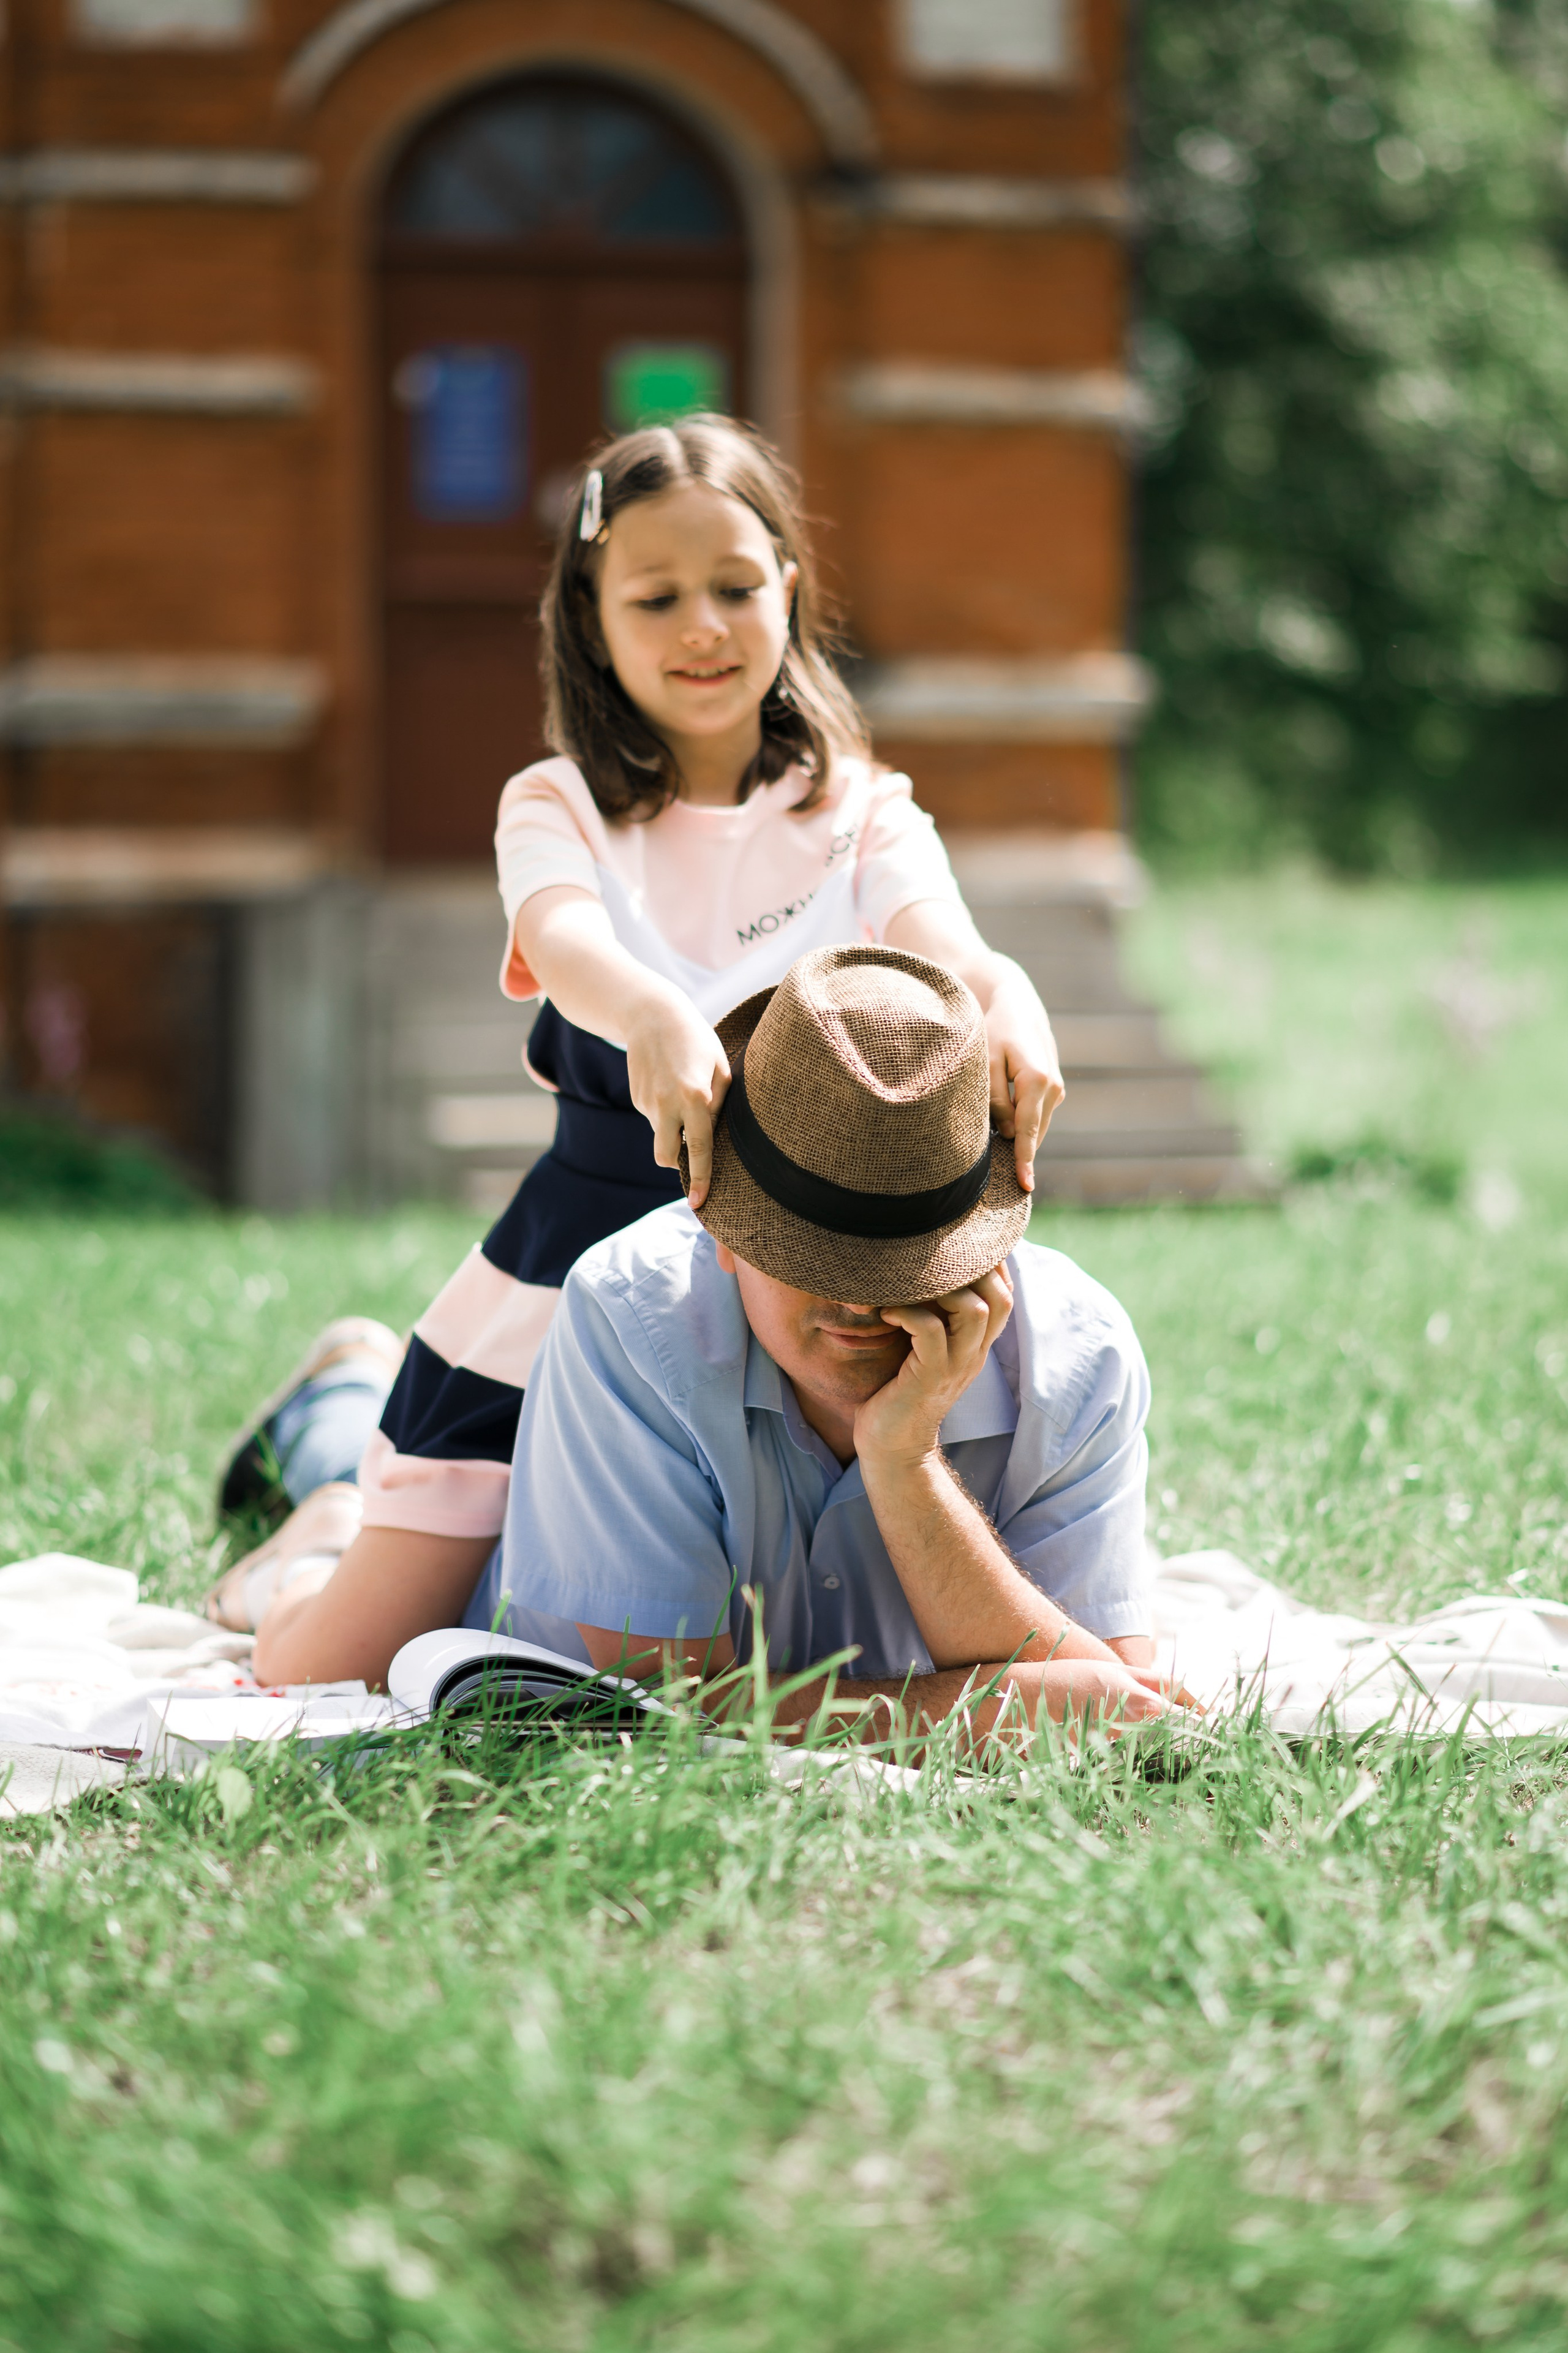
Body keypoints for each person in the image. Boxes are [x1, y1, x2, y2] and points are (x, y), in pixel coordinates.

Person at [214, 415, 1065, 1662]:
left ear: (786, 587)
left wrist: (1005, 993)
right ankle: (327, 1486)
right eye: (656, 596)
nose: (703, 627)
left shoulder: (861, 809)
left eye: (731, 586)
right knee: (316, 1664)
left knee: (788, 1635)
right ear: (590, 619)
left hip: (799, 1284)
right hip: (577, 1261)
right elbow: (566, 945)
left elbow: (946, 942)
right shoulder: (554, 805)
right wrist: (655, 1011)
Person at [251, 946, 1173, 1742]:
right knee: (310, 1657)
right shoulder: (630, 1315)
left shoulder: (1077, 1355)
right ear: (719, 1219)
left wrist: (905, 1460)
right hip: (491, 1563)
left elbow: (1116, 1702)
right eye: (813, 1251)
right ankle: (328, 1504)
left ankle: (341, 1423)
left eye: (902, 1258)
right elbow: (664, 1704)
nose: (858, 1299)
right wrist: (972, 1710)